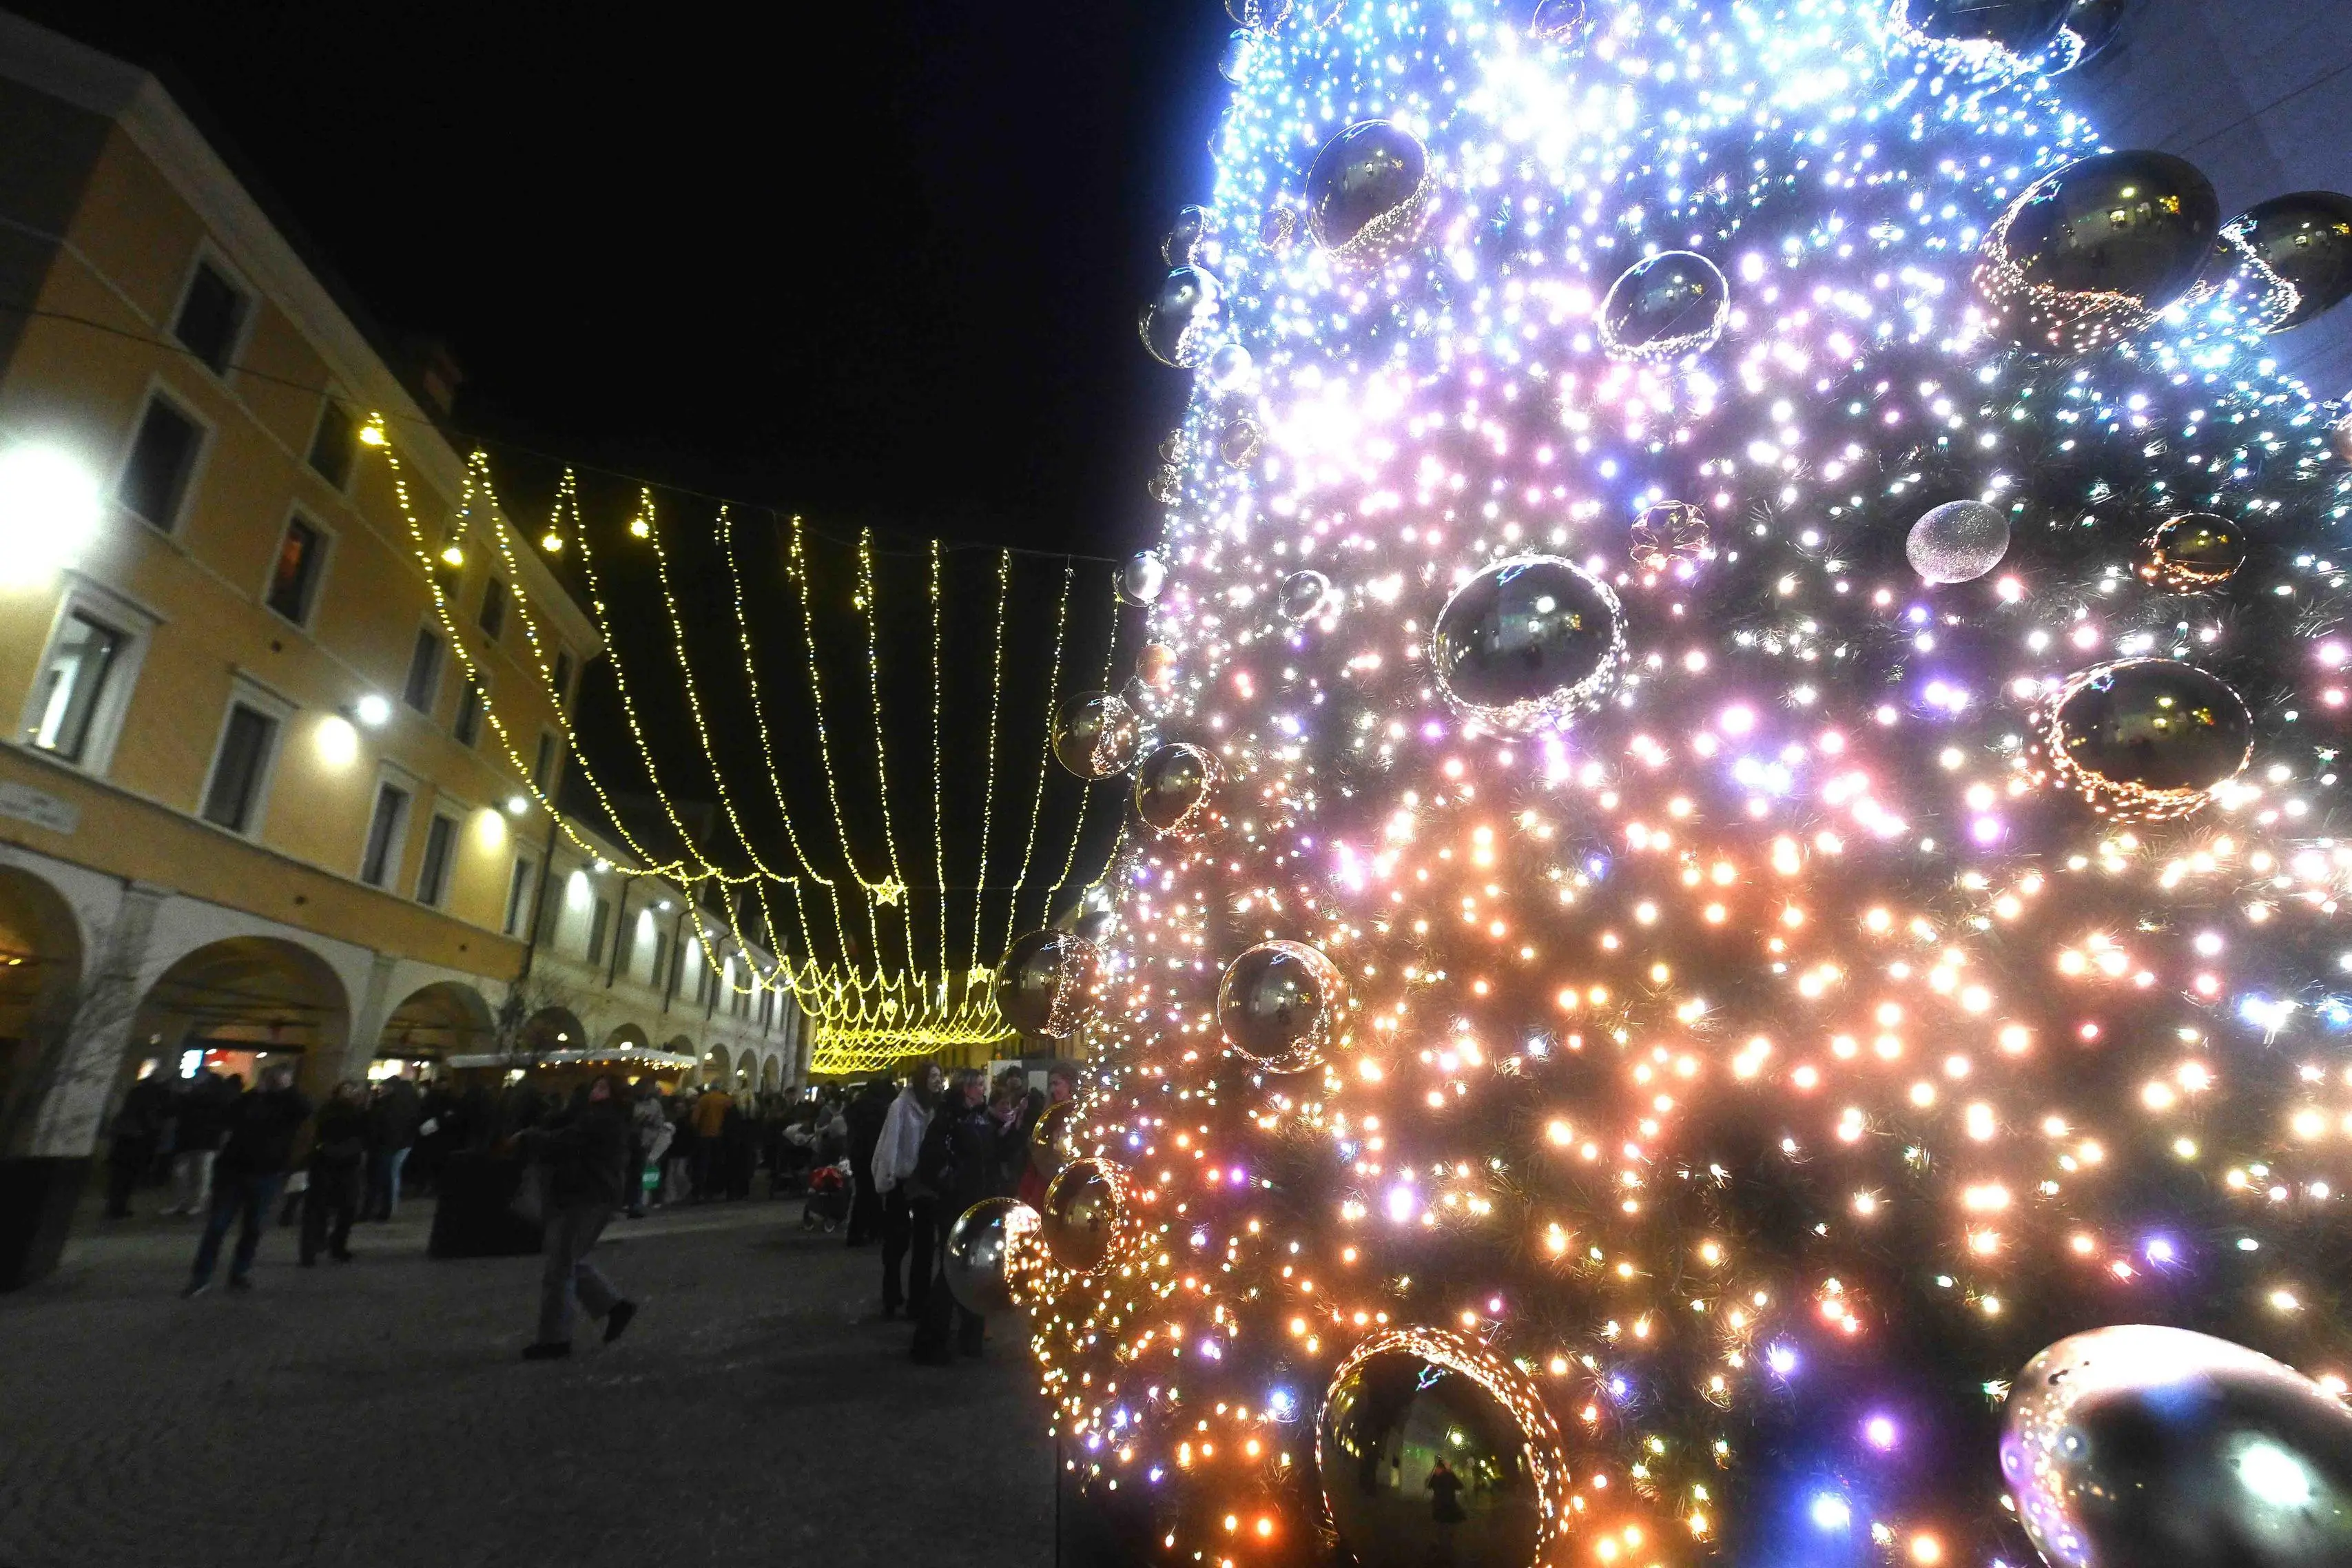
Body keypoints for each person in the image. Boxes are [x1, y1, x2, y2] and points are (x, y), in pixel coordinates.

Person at [517, 1073, 639, 1361]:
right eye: (595, 1085)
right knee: (569, 1259)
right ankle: (614, 1306)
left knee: (560, 1268)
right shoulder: (605, 1117)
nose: (595, 1090)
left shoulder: (601, 1119)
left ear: (614, 1093)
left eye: (602, 1087)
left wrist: (529, 1137)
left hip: (586, 1196)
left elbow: (564, 1142)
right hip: (591, 1194)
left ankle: (555, 1340)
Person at [909, 1066, 1018, 1363]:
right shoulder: (949, 1118)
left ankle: (970, 1338)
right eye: (979, 1085)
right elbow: (933, 1161)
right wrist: (953, 1184)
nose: (983, 1089)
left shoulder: (981, 1118)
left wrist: (1007, 1133)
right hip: (956, 1206)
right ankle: (931, 1341)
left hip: (979, 1204)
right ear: (966, 1088)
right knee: (950, 1273)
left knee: (976, 1270)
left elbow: (992, 1155)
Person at [182, 1064, 311, 1297]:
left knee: (253, 1227)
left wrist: (287, 1089)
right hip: (233, 1171)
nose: (274, 1082)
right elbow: (228, 1116)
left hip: (267, 1173)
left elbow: (305, 1109)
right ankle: (201, 1277)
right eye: (271, 1078)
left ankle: (240, 1271)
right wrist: (255, 1093)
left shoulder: (288, 1105)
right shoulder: (249, 1100)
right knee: (217, 1226)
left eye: (279, 1078)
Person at [869, 1064, 941, 1319]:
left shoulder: (935, 1107)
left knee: (924, 1245)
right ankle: (891, 1295)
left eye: (939, 1076)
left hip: (926, 1183)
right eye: (932, 1076)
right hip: (901, 1181)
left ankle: (918, 1301)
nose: (937, 1080)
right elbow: (890, 1142)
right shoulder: (900, 1106)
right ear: (921, 1078)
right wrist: (886, 1177)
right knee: (896, 1244)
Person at [300, 1081, 367, 1265]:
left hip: (346, 1163)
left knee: (346, 1208)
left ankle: (334, 1246)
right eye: (347, 1090)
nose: (350, 1093)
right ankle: (314, 1248)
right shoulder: (330, 1110)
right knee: (319, 1208)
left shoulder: (359, 1111)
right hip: (327, 1163)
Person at [161, 1065, 236, 1217]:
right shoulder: (193, 1092)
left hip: (205, 1139)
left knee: (200, 1173)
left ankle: (196, 1203)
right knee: (183, 1173)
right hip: (190, 1138)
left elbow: (219, 1112)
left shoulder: (214, 1093)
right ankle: (182, 1202)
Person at [104, 1066, 174, 1219]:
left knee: (120, 1175)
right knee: (128, 1176)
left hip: (126, 1137)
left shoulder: (137, 1091)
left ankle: (115, 1205)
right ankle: (119, 1206)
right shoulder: (153, 1096)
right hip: (138, 1138)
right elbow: (151, 1117)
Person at [362, 1072, 422, 1221]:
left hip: (386, 1145)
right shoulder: (405, 1102)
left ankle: (376, 1210)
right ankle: (385, 1210)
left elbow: (385, 1125)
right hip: (398, 1144)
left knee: (381, 1178)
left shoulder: (391, 1104)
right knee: (389, 1177)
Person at [843, 1077, 894, 1247]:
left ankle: (863, 1230)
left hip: (858, 1154)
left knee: (864, 1193)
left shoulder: (857, 1106)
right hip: (873, 1155)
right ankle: (870, 1230)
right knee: (872, 1193)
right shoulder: (880, 1108)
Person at [626, 1082, 671, 1218]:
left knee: (651, 1170)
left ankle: (652, 1197)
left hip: (650, 1140)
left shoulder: (655, 1104)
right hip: (635, 1140)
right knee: (634, 1172)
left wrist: (652, 1122)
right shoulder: (631, 1103)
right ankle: (634, 1201)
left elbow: (660, 1120)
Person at [690, 1079, 732, 1199]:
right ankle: (712, 1190)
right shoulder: (726, 1100)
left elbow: (695, 1119)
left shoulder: (704, 1099)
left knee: (702, 1164)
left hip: (705, 1135)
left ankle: (698, 1192)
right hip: (720, 1136)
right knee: (716, 1164)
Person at [1426, 1456, 1467, 1525]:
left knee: (1442, 1527)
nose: (1436, 1470)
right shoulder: (1448, 1476)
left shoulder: (1439, 1477)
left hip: (1442, 1507)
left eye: (1438, 1469)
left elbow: (1429, 1486)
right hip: (1446, 1507)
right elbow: (1460, 1486)